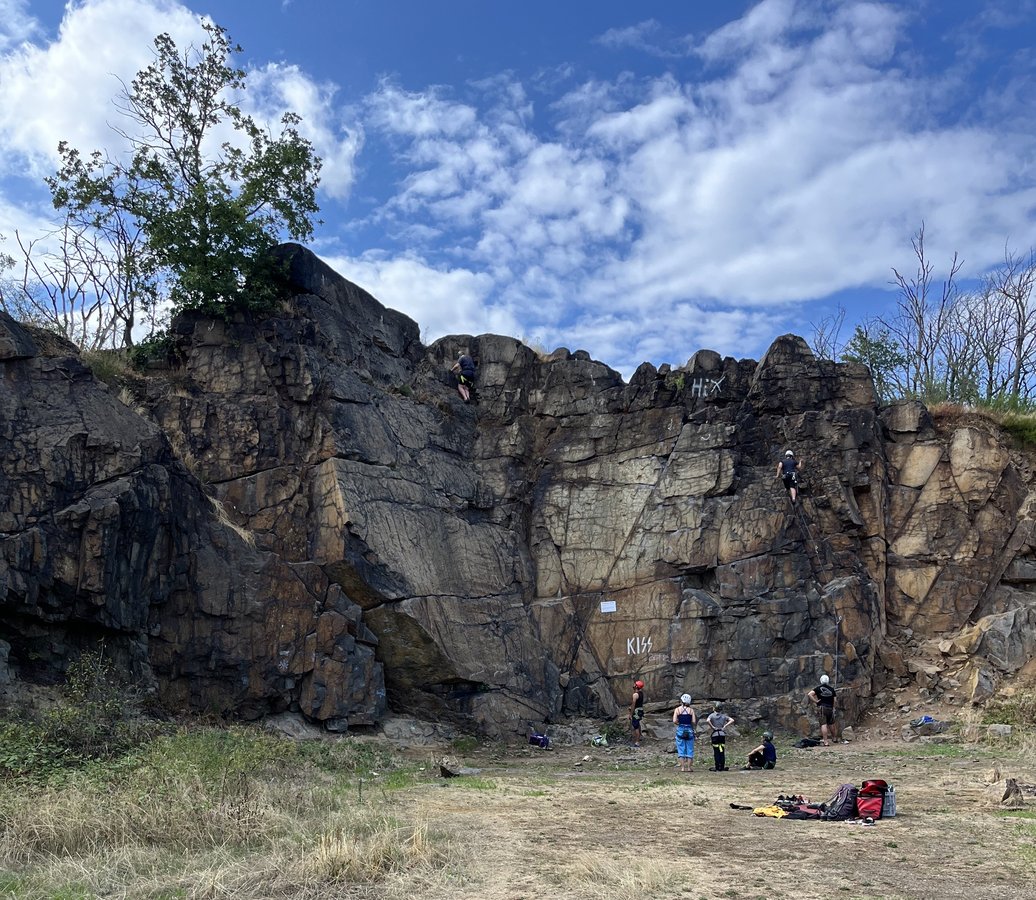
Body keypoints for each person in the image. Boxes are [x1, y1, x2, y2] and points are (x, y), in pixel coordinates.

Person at [807, 674, 837, 745]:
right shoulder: (832, 689)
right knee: (831, 723)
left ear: (821, 680)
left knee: (823, 724)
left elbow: (809, 694)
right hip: (830, 708)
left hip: (822, 708)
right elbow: (835, 700)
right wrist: (833, 707)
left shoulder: (818, 688)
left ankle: (826, 741)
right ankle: (834, 738)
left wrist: (816, 701)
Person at [706, 701, 734, 771]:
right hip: (722, 734)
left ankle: (717, 766)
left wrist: (712, 727)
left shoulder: (711, 715)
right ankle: (722, 766)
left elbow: (707, 720)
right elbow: (732, 720)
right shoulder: (723, 716)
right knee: (722, 751)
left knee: (716, 751)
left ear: (714, 708)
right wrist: (725, 726)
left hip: (715, 735)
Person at [672, 693, 697, 772]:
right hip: (689, 729)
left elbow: (674, 720)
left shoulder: (677, 709)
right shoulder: (691, 710)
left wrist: (679, 723)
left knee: (681, 748)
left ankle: (682, 767)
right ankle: (689, 768)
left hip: (680, 729)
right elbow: (693, 721)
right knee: (690, 748)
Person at [630, 679, 645, 747]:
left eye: (634, 684)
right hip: (640, 710)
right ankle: (640, 736)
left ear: (636, 686)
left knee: (635, 726)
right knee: (638, 724)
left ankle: (637, 742)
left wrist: (631, 714)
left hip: (636, 712)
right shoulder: (641, 693)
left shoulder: (635, 695)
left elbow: (633, 705)